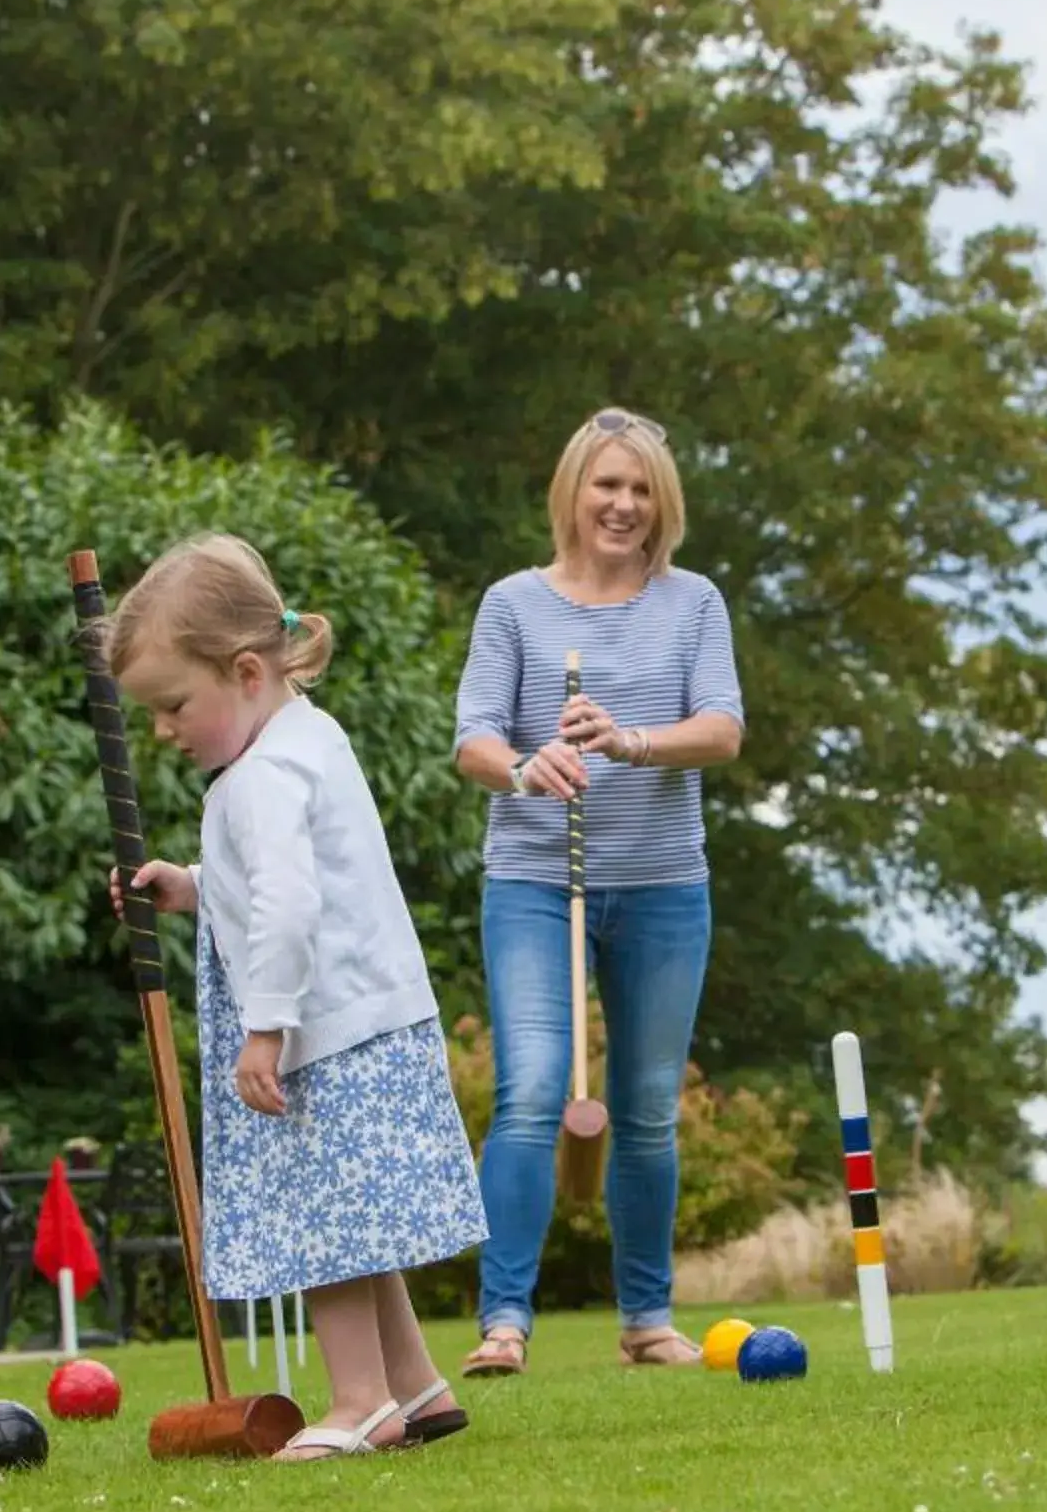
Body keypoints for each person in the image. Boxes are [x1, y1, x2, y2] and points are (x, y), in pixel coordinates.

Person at [104, 534, 487, 1459]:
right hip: (373, 1016)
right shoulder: (307, 737)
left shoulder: (262, 776)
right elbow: (273, 882)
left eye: (172, 706)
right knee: (357, 1225)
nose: (164, 730)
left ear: (243, 671)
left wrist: (265, 1033)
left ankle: (360, 1402)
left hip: (320, 1031)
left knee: (325, 1225)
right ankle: (417, 1384)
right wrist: (193, 885)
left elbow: (288, 908)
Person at [450, 408, 744, 1376]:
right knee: (533, 1085)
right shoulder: (514, 603)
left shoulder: (695, 601)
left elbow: (723, 730)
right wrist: (528, 767)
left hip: (662, 884)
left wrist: (633, 741)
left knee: (648, 1103)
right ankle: (504, 1318)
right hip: (537, 879)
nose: (623, 504)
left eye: (641, 487)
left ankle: (646, 1316)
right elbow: (473, 741)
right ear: (572, 492)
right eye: (606, 484)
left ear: (663, 501)